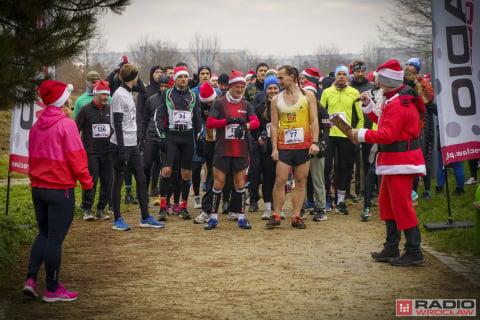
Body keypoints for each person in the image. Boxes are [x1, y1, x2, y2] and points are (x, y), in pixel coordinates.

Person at [349, 59, 426, 266]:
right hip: (394, 161)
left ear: (388, 83)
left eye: (380, 82)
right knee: (387, 203)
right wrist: (368, 106)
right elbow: (384, 121)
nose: (377, 86)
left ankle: (413, 250)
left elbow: (387, 134)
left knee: (402, 206)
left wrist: (361, 134)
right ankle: (392, 246)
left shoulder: (399, 102)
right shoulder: (394, 99)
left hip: (402, 161)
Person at [24, 80, 93, 302]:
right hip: (60, 189)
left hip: (38, 188)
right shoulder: (66, 125)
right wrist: (87, 182)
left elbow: (31, 157)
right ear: (62, 101)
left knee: (43, 233)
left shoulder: (35, 126)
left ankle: (31, 280)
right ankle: (52, 288)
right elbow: (76, 156)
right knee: (54, 238)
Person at [110, 63, 165, 230]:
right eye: (136, 76)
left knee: (141, 179)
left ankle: (145, 217)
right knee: (117, 181)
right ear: (133, 77)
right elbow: (117, 125)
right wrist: (121, 149)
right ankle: (117, 219)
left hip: (132, 144)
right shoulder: (119, 95)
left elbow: (142, 89)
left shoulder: (129, 92)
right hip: (121, 145)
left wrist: (133, 77)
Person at [203, 70, 260, 230]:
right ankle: (213, 218)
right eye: (237, 87)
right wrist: (227, 121)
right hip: (222, 149)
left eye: (242, 87)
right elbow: (210, 122)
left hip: (240, 151)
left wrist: (245, 125)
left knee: (240, 184)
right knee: (218, 184)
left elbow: (255, 122)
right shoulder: (219, 103)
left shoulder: (246, 104)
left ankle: (241, 217)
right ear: (230, 87)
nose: (240, 90)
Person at [267, 65, 320, 229]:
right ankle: (276, 214)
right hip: (284, 146)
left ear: (292, 76)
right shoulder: (277, 99)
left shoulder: (308, 96)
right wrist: (274, 148)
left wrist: (315, 142)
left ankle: (297, 216)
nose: (279, 81)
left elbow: (314, 121)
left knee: (300, 181)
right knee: (280, 180)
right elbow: (274, 126)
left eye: (281, 78)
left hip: (304, 145)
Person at [155, 65, 203, 221]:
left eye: (185, 77)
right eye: (180, 77)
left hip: (187, 137)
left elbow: (197, 119)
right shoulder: (167, 94)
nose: (183, 79)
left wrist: (199, 137)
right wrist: (161, 136)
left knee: (186, 173)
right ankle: (163, 206)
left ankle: (183, 206)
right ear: (175, 79)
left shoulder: (193, 96)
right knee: (167, 170)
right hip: (171, 136)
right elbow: (159, 115)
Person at [320, 65, 363, 215]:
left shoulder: (354, 92)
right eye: (339, 74)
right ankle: (325, 198)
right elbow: (321, 112)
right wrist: (321, 132)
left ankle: (340, 200)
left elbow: (360, 116)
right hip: (330, 135)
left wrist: (356, 133)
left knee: (344, 168)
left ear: (348, 76)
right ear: (335, 76)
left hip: (346, 134)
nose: (341, 77)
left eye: (344, 74)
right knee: (325, 168)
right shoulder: (327, 92)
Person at [75, 80, 113, 221]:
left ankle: (101, 209)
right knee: (91, 181)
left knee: (107, 181)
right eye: (102, 94)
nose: (105, 97)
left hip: (108, 151)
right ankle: (87, 208)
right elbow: (75, 130)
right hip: (91, 152)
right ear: (95, 94)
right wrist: (78, 149)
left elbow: (115, 128)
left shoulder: (110, 109)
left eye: (107, 95)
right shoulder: (85, 109)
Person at [405, 57, 435, 202]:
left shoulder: (424, 83)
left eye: (410, 65)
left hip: (421, 126)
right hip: (407, 127)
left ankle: (427, 190)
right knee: (410, 160)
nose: (406, 67)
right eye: (406, 64)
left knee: (422, 159)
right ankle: (412, 192)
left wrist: (416, 86)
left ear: (417, 69)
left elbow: (428, 99)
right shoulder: (404, 83)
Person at [252, 75, 281, 220]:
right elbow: (254, 128)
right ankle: (268, 208)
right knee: (268, 178)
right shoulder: (258, 108)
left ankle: (279, 208)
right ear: (265, 90)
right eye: (269, 88)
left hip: (282, 146)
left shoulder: (285, 106)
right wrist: (259, 137)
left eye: (275, 88)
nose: (272, 91)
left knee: (280, 178)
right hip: (266, 148)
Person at [302, 80, 330, 222]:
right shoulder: (299, 109)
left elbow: (326, 129)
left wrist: (321, 144)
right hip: (301, 148)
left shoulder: (321, 110)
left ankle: (321, 208)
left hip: (316, 148)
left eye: (311, 94)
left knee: (318, 179)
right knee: (300, 180)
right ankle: (300, 209)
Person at [349, 60, 375, 206]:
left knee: (367, 161)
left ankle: (368, 190)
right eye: (357, 71)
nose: (360, 74)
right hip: (352, 129)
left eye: (362, 71)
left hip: (369, 129)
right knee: (355, 162)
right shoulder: (349, 87)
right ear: (353, 72)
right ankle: (357, 189)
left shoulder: (371, 87)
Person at [193, 81, 218, 224]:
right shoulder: (200, 106)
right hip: (209, 142)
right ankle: (206, 209)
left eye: (211, 102)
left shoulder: (220, 103)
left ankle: (232, 208)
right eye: (206, 103)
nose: (209, 105)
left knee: (228, 178)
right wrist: (200, 140)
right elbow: (198, 123)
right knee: (211, 178)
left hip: (223, 143)